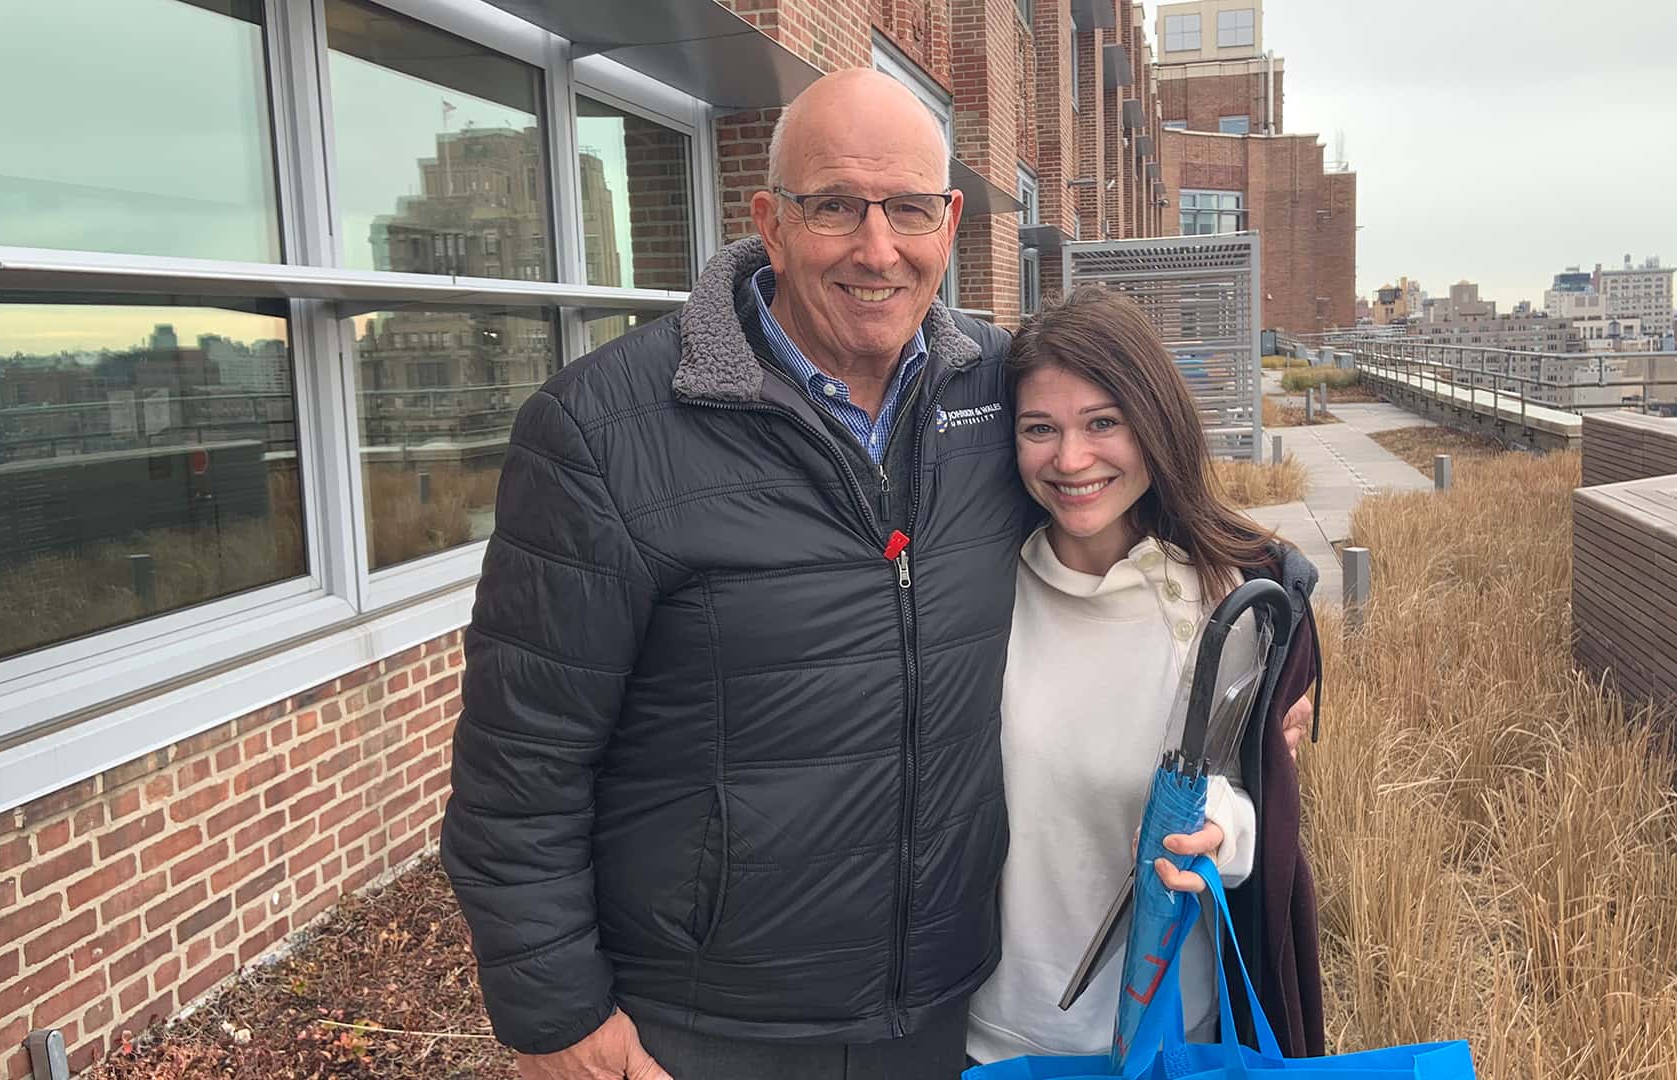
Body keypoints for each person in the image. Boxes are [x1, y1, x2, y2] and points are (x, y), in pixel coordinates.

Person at [441, 67, 1030, 1080]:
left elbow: (1147, 500)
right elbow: (518, 766)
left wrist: (1274, 634)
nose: (877, 248)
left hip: (940, 1002)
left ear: (952, 219)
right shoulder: (601, 432)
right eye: (836, 206)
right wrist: (558, 1018)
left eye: (908, 210)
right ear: (770, 220)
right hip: (706, 1027)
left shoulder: (1000, 391)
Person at [966, 286, 1326, 1066]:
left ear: (1155, 423)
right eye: (1040, 429)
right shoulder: (979, 594)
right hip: (994, 1038)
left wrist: (1220, 828)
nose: (1071, 459)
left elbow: (1259, 811)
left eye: (1103, 422)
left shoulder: (1228, 605)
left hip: (1170, 1038)